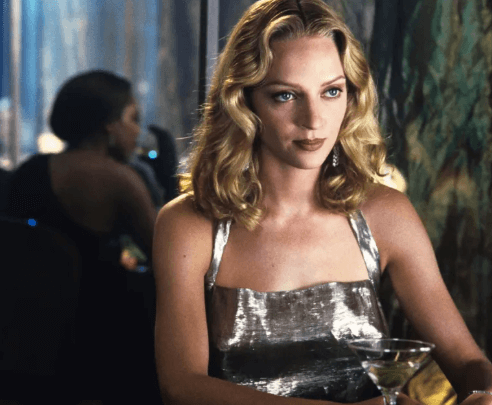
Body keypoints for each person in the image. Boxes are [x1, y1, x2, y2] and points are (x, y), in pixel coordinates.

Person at [153, 0, 492, 404]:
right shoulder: (190, 225)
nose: (313, 120)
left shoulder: (385, 214)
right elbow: (182, 387)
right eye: (285, 96)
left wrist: (482, 393)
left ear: (351, 96)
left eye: (331, 91)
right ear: (244, 101)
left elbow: (466, 360)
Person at [6, 70, 159, 402]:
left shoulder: (30, 170)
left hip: (23, 338)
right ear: (109, 125)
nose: (137, 130)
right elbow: (160, 253)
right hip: (96, 338)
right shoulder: (121, 179)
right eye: (132, 118)